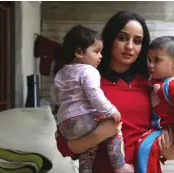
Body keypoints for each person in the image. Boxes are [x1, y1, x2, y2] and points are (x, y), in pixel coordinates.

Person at [55, 11, 174, 173]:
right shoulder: (87, 82)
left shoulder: (153, 85)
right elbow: (63, 146)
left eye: (137, 41)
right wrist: (99, 135)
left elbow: (166, 133)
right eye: (123, 38)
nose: (130, 47)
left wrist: (169, 152)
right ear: (110, 39)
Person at [51, 25, 133, 173]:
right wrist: (110, 110)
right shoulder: (89, 70)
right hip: (82, 120)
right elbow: (95, 95)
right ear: (79, 52)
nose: (100, 56)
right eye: (96, 51)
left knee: (89, 145)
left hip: (64, 124)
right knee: (113, 127)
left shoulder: (62, 72)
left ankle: (85, 170)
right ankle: (119, 165)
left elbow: (56, 96)